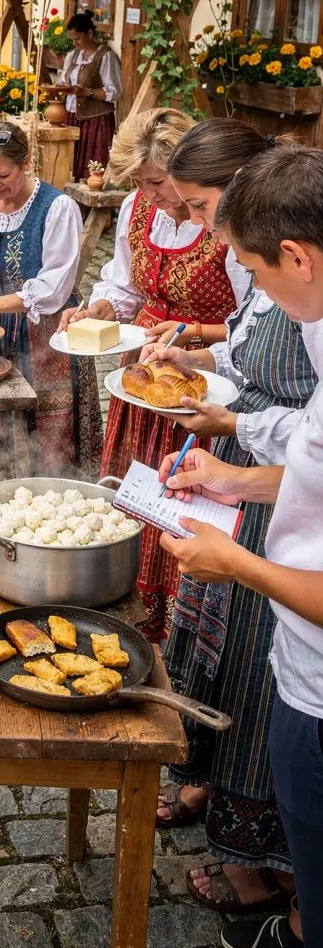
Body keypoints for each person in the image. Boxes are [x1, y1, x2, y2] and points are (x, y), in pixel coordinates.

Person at [143, 122, 316, 916]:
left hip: (290, 574)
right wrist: (231, 464)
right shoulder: (292, 297)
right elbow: (300, 431)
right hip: (257, 499)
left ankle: (262, 870)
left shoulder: (308, 315)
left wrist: (240, 546)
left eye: (247, 261)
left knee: (258, 685)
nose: (223, 249)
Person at [61, 107, 249, 638]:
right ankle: (123, 598)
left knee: (184, 498)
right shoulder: (137, 210)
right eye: (142, 184)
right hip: (142, 374)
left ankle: (177, 626)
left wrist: (188, 334)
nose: (153, 195)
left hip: (201, 381)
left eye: (158, 182)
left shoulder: (225, 220)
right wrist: (102, 308)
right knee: (136, 486)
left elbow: (249, 324)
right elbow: (123, 285)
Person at [0, 120, 103, 503]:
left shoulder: (56, 208)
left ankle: (49, 507)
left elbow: (54, 286)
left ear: (26, 162)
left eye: (4, 175)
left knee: (46, 433)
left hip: (45, 336)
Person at [54, 9, 123, 182]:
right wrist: (61, 88)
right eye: (73, 40)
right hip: (72, 117)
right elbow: (65, 81)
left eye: (78, 38)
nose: (76, 43)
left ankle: (87, 204)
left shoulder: (106, 57)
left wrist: (87, 92)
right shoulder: (73, 56)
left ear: (90, 33)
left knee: (91, 167)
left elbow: (114, 91)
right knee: (71, 162)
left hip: (95, 120)